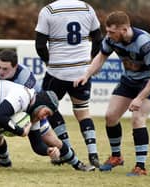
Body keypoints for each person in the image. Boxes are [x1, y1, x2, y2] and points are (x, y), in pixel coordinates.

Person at [0, 49, 94, 171]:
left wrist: (30, 128)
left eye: (5, 69)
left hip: (31, 111)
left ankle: (78, 164)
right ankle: (5, 162)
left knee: (51, 139)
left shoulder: (26, 79)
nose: (1, 72)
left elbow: (40, 106)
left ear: (15, 67)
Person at [74, 11, 150, 176]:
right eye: (107, 31)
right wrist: (86, 75)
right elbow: (100, 58)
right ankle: (116, 157)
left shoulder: (145, 43)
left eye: (111, 32)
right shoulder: (111, 39)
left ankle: (140, 167)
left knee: (138, 119)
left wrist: (139, 98)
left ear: (124, 29)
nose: (107, 35)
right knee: (111, 117)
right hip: (129, 80)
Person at [35, 0, 103, 167]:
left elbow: (40, 45)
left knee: (49, 110)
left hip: (57, 72)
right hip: (81, 72)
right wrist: (90, 62)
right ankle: (93, 153)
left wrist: (49, 62)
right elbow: (98, 39)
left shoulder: (48, 10)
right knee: (83, 111)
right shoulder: (87, 8)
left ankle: (67, 152)